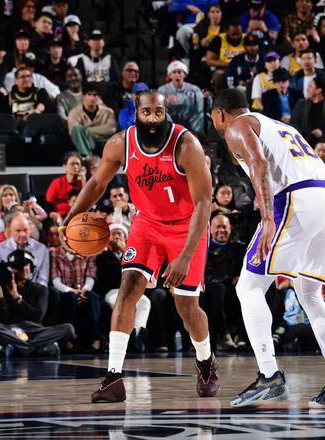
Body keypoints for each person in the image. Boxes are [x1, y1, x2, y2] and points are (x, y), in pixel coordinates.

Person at [58, 90, 218, 403]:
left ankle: (205, 361)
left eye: (159, 112)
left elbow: (204, 202)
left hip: (186, 227)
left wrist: (185, 256)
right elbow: (97, 183)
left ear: (165, 112)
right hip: (147, 225)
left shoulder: (186, 145)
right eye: (147, 112)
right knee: (128, 289)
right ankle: (113, 377)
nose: (153, 118)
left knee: (186, 307)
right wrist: (70, 218)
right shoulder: (120, 143)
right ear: (137, 113)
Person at [211, 88, 325, 409]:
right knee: (310, 295)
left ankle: (269, 376)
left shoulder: (237, 125)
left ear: (219, 114)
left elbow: (259, 164)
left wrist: (267, 219)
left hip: (296, 197)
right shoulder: (280, 126)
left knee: (249, 287)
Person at [0, 249, 76, 356]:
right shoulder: (2, 289)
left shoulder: (40, 289)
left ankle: (21, 347)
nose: (24, 269)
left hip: (37, 331)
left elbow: (37, 316)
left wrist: (16, 297)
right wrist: (0, 293)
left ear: (32, 268)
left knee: (69, 329)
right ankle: (38, 348)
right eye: (19, 266)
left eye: (26, 265)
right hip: (13, 330)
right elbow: (2, 319)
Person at [95, 223, 151, 353]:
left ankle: (136, 334)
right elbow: (111, 279)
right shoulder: (103, 257)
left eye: (119, 234)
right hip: (113, 291)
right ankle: (124, 339)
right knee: (120, 302)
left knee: (145, 301)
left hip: (132, 290)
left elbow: (138, 275)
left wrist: (125, 251)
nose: (116, 236)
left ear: (125, 238)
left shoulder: (133, 255)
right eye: (113, 234)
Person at [50, 231, 103, 352]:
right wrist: (73, 291)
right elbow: (56, 281)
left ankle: (96, 339)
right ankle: (69, 341)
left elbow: (90, 276)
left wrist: (83, 291)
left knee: (93, 297)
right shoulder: (56, 253)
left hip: (83, 290)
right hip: (65, 291)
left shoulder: (88, 252)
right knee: (70, 298)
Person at [202, 214, 246, 351]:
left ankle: (239, 335)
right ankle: (223, 334)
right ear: (210, 229)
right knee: (216, 290)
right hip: (210, 286)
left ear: (230, 228)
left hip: (231, 286)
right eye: (218, 227)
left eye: (224, 227)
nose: (221, 230)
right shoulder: (203, 248)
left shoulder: (239, 248)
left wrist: (241, 276)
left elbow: (244, 268)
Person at [0, 212, 50, 288]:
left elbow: (43, 280)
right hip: (8, 290)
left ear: (30, 230)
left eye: (25, 230)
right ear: (11, 230)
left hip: (35, 290)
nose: (22, 234)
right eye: (18, 231)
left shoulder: (42, 249)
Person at [67, 82, 116, 157]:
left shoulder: (108, 111)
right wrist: (98, 131)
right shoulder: (74, 112)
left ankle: (87, 157)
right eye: (89, 94)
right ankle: (87, 157)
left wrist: (86, 130)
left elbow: (111, 129)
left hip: (102, 143)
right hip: (82, 143)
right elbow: (73, 131)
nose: (92, 98)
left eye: (95, 95)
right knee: (77, 129)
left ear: (99, 97)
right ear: (84, 96)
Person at [290, 75, 325, 146]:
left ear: (318, 90)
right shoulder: (301, 104)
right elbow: (293, 123)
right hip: (303, 143)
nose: (307, 89)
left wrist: (322, 133)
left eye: (310, 86)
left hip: (324, 143)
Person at [157, 60, 205, 134]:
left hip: (191, 120)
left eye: (179, 72)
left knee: (203, 116)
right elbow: (158, 109)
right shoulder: (162, 90)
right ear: (170, 75)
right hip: (171, 122)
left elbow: (200, 109)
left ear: (185, 74)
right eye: (174, 72)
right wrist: (165, 102)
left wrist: (203, 98)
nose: (177, 75)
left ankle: (197, 136)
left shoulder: (194, 89)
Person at [46, 152, 86, 221]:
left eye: (78, 164)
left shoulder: (83, 183)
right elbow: (48, 205)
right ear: (64, 166)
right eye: (72, 164)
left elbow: (88, 201)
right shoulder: (57, 182)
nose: (75, 166)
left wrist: (83, 180)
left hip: (78, 217)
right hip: (59, 216)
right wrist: (51, 214)